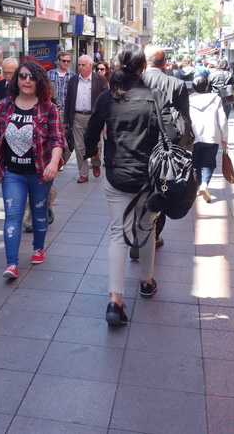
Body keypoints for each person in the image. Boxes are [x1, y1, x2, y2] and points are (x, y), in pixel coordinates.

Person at [83, 43, 165, 326]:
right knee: (146, 227)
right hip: (148, 177)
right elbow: (170, 135)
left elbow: (91, 136)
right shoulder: (154, 96)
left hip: (117, 175)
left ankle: (115, 301)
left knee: (118, 234)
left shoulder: (107, 98)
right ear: (143, 67)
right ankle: (146, 281)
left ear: (118, 65)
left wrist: (93, 155)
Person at [0, 60, 64, 279]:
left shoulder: (48, 107)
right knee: (13, 215)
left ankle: (38, 248)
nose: (27, 81)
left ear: (39, 80)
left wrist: (53, 164)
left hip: (40, 172)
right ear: (16, 80)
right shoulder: (5, 105)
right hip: (12, 173)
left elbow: (58, 139)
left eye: (31, 76)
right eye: (23, 76)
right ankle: (11, 264)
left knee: (39, 212)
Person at [140, 45, 192, 250]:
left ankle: (141, 232)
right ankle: (154, 233)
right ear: (164, 64)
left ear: (145, 63)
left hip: (140, 142)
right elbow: (185, 122)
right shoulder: (177, 84)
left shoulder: (137, 82)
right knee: (161, 188)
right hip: (166, 148)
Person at [65, 54, 109, 183]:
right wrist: (67, 120)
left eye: (83, 65)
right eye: (79, 65)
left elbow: (106, 99)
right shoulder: (73, 80)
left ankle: (96, 163)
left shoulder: (100, 80)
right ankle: (83, 173)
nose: (80, 67)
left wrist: (105, 117)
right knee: (79, 146)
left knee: (96, 144)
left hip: (94, 117)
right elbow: (69, 101)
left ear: (90, 66)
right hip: (77, 116)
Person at [189, 75, 228, 203]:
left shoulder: (188, 100)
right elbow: (222, 119)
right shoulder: (215, 99)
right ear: (206, 86)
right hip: (211, 135)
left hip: (193, 137)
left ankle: (198, 186)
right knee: (208, 162)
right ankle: (204, 184)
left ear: (193, 87)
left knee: (196, 162)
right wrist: (224, 137)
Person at [47, 51, 76, 117]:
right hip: (51, 110)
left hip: (67, 111)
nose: (66, 63)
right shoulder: (49, 74)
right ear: (58, 61)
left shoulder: (73, 76)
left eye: (68, 61)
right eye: (64, 61)